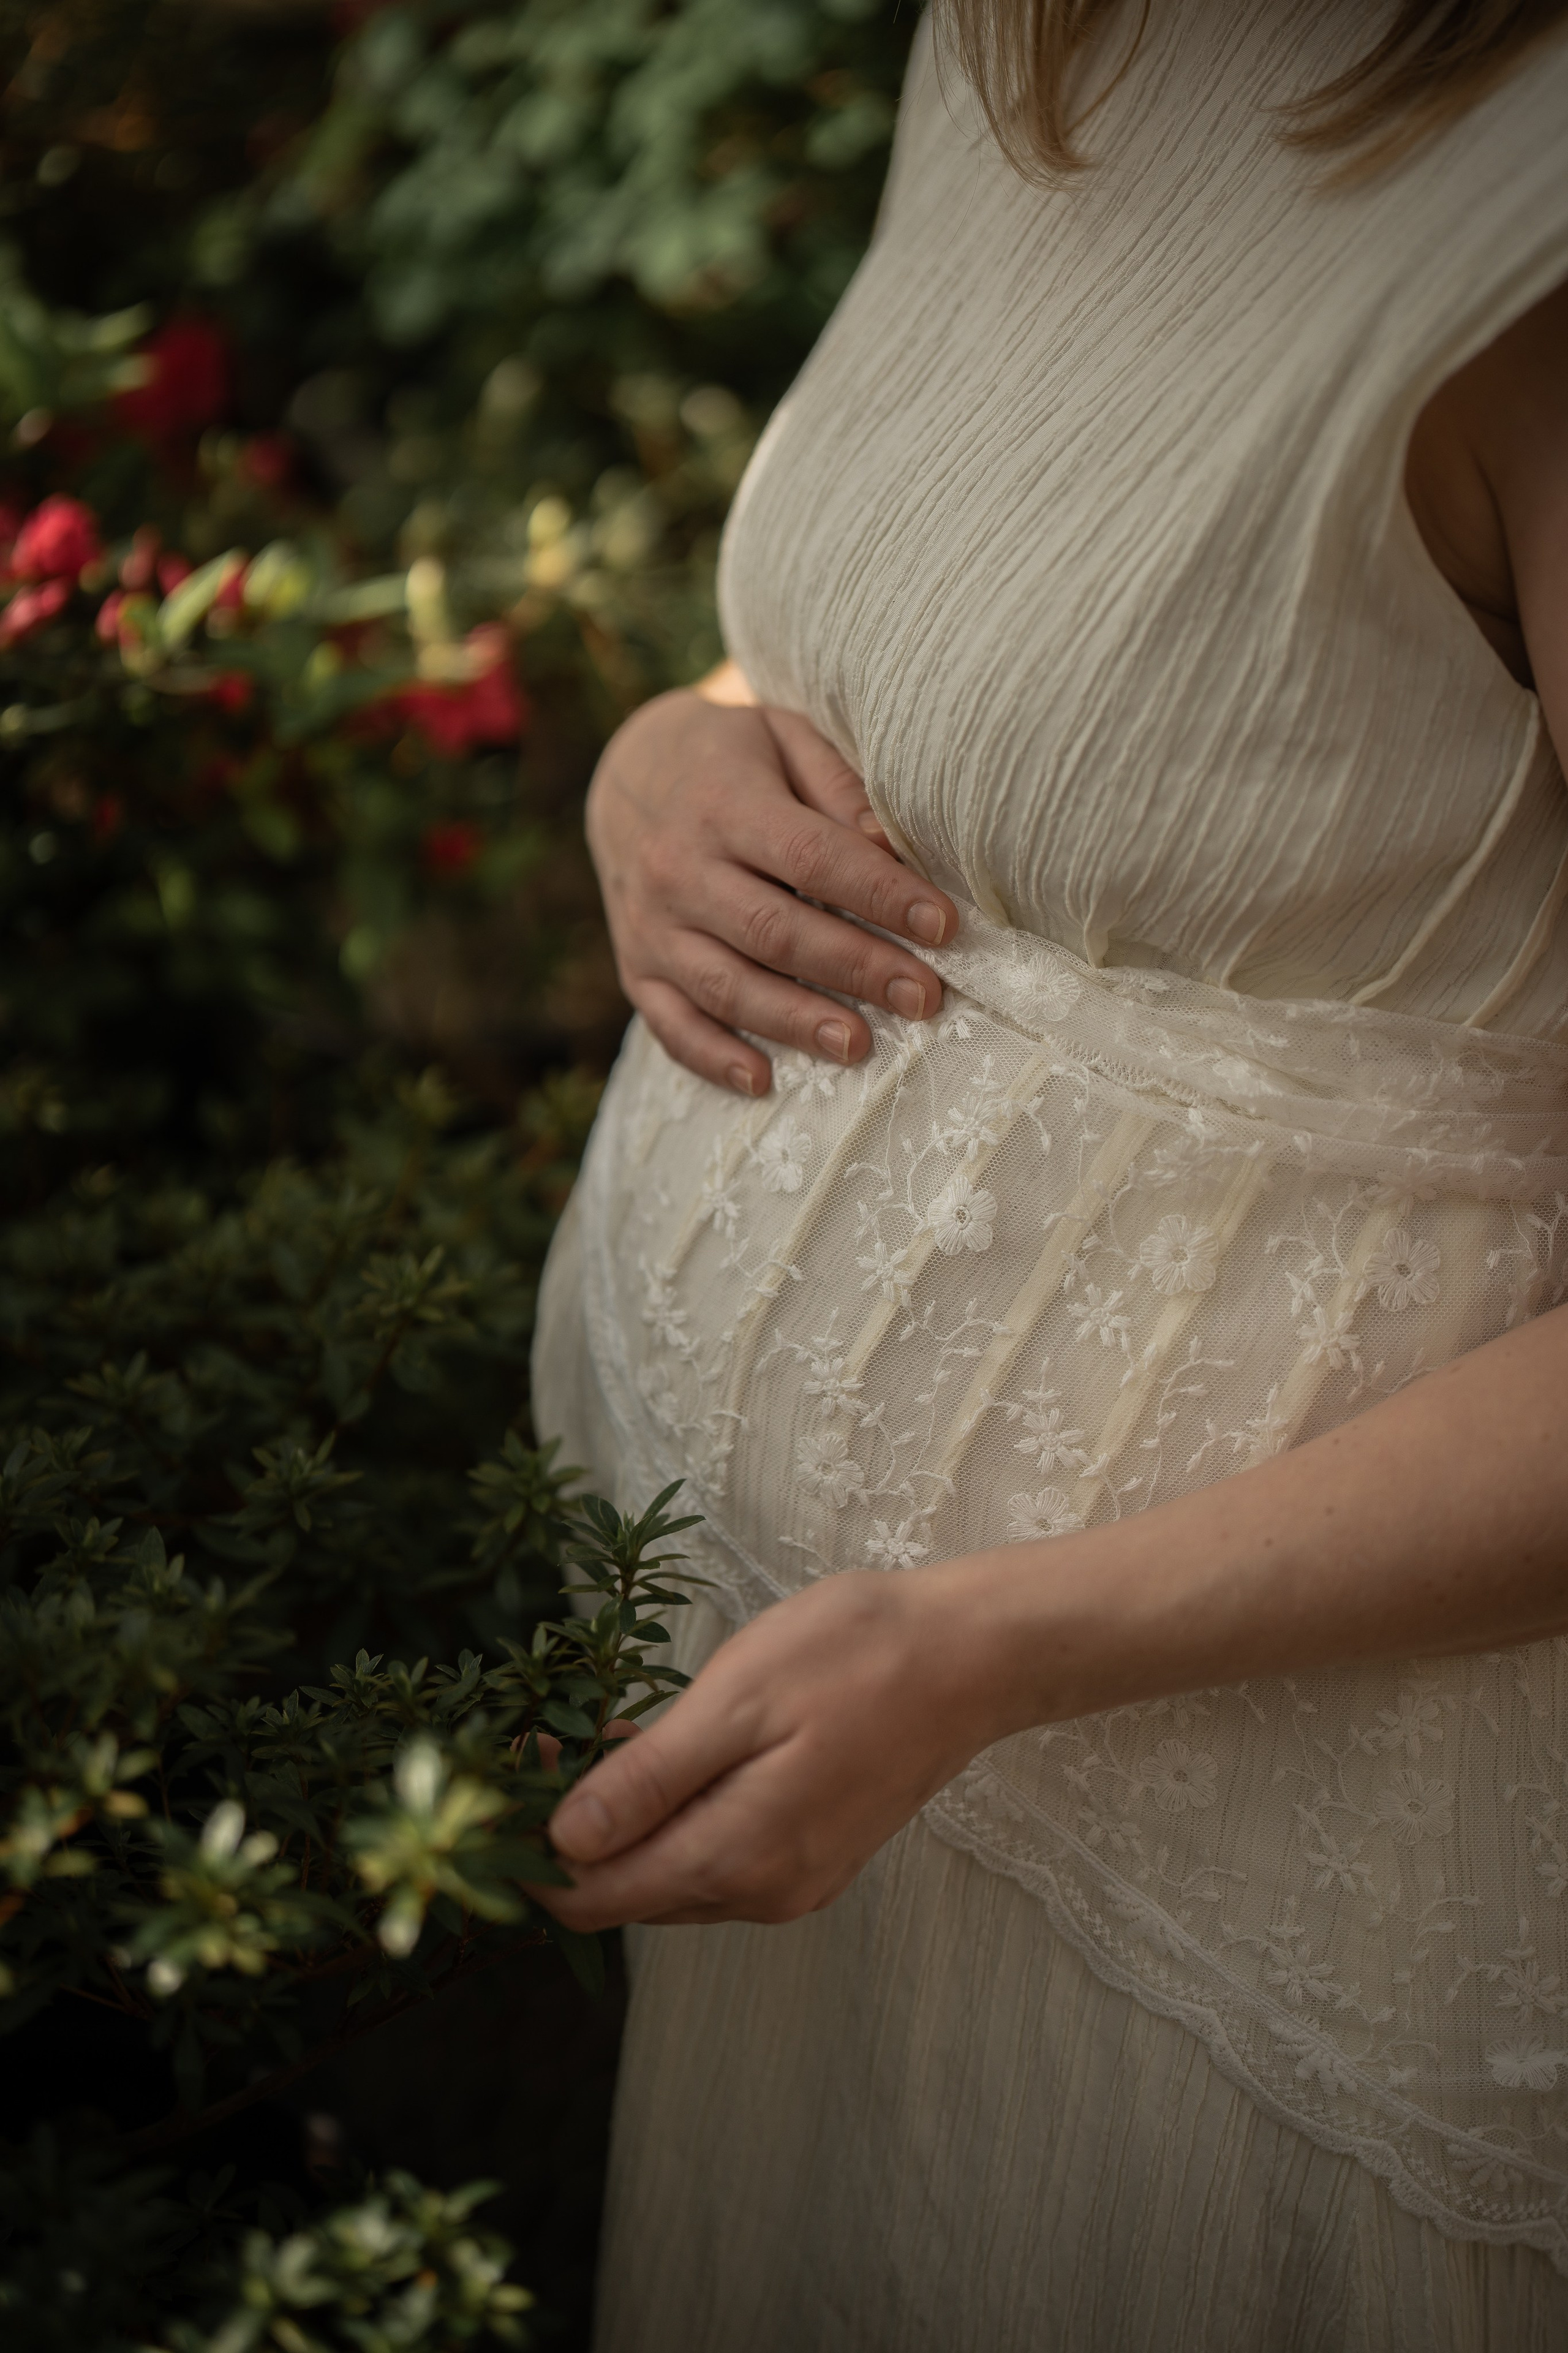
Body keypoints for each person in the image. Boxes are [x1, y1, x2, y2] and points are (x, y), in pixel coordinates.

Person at [529, 2, 1568, 2343]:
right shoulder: (1043, 36)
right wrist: (654, 763)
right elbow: (994, 683)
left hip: (1231, 1887)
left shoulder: (1532, 250)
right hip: (831, 1781)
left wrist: (994, 1650)